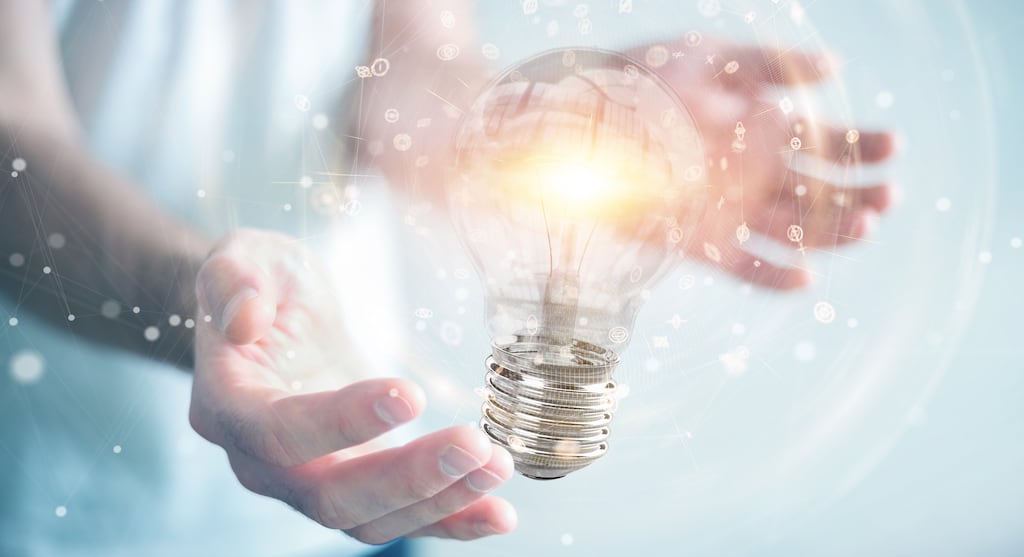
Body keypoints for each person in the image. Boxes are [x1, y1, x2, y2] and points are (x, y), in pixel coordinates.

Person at [0, 1, 894, 555]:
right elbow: (12, 141)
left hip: (368, 492)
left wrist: (559, 118)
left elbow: (396, 81)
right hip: (65, 510)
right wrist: (211, 296)